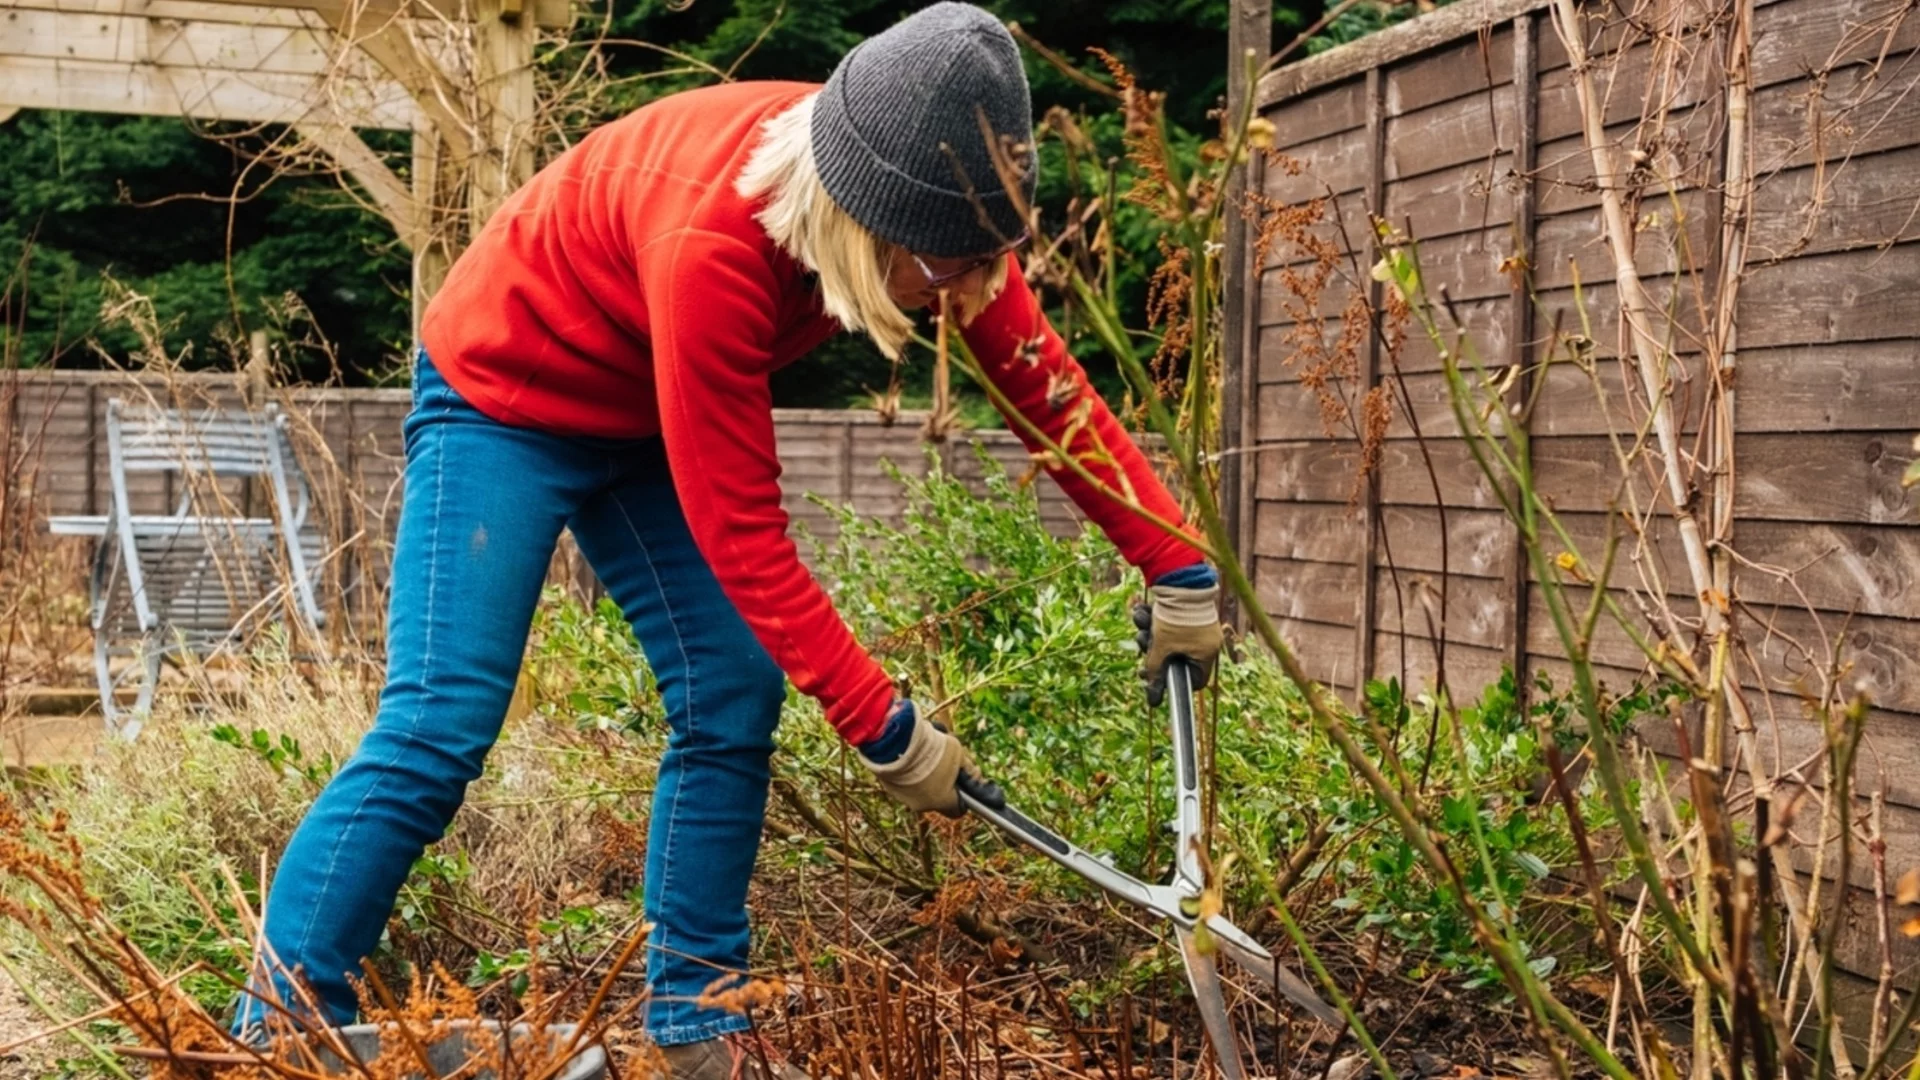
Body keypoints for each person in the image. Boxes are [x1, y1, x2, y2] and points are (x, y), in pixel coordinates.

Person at [237, 4, 1223, 1077]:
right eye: (947, 270)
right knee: (442, 719)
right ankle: (282, 1022)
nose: (972, 294)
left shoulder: (945, 223)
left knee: (732, 689)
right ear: (863, 219)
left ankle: (699, 1018)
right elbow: (744, 536)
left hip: (641, 411)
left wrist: (1175, 562)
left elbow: (1050, 389)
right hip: (505, 399)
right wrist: (883, 726)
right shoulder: (713, 242)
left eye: (989, 260)